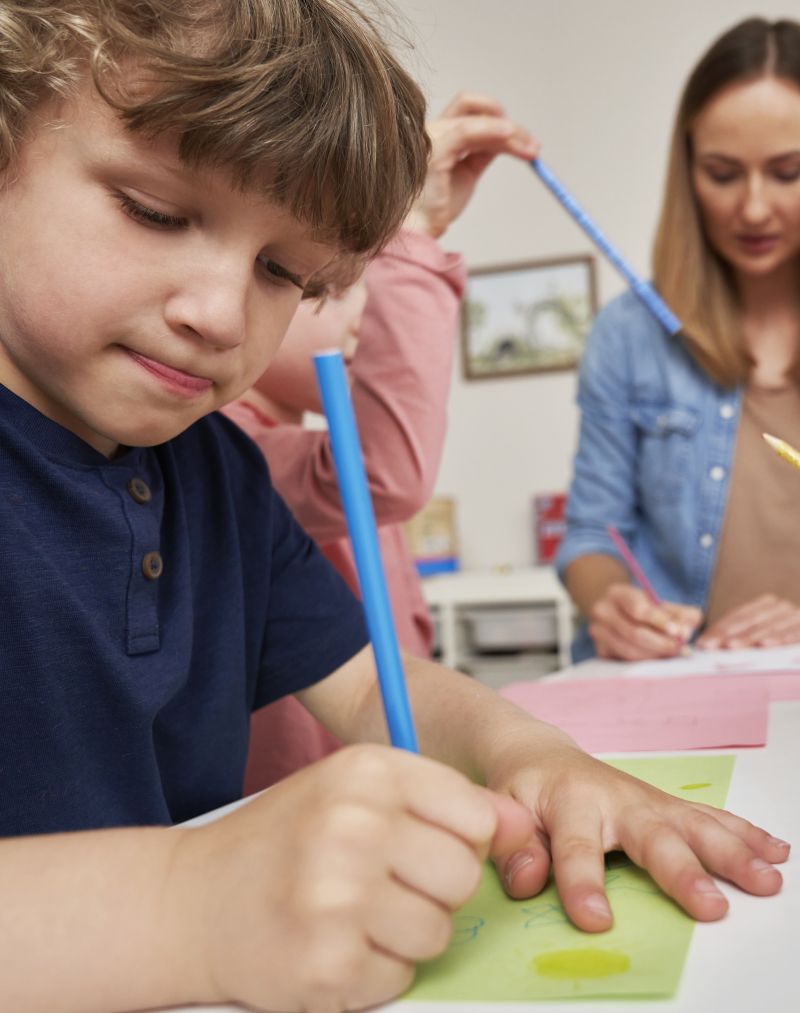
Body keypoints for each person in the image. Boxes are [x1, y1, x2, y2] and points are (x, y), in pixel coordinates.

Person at [0, 3, 788, 1011]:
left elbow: (375, 687)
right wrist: (186, 903)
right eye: (154, 211)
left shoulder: (218, 472)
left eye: (286, 272)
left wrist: (534, 755)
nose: (220, 314)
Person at [225, 93, 536, 790]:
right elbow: (386, 472)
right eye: (331, 287)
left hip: (386, 787)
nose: (369, 310)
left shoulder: (319, 438)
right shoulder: (227, 449)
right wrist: (415, 232)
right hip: (300, 813)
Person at [557, 17, 800, 663]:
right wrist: (613, 605)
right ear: (687, 169)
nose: (752, 209)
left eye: (788, 171)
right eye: (723, 174)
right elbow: (590, 534)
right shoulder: (629, 336)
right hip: (682, 689)